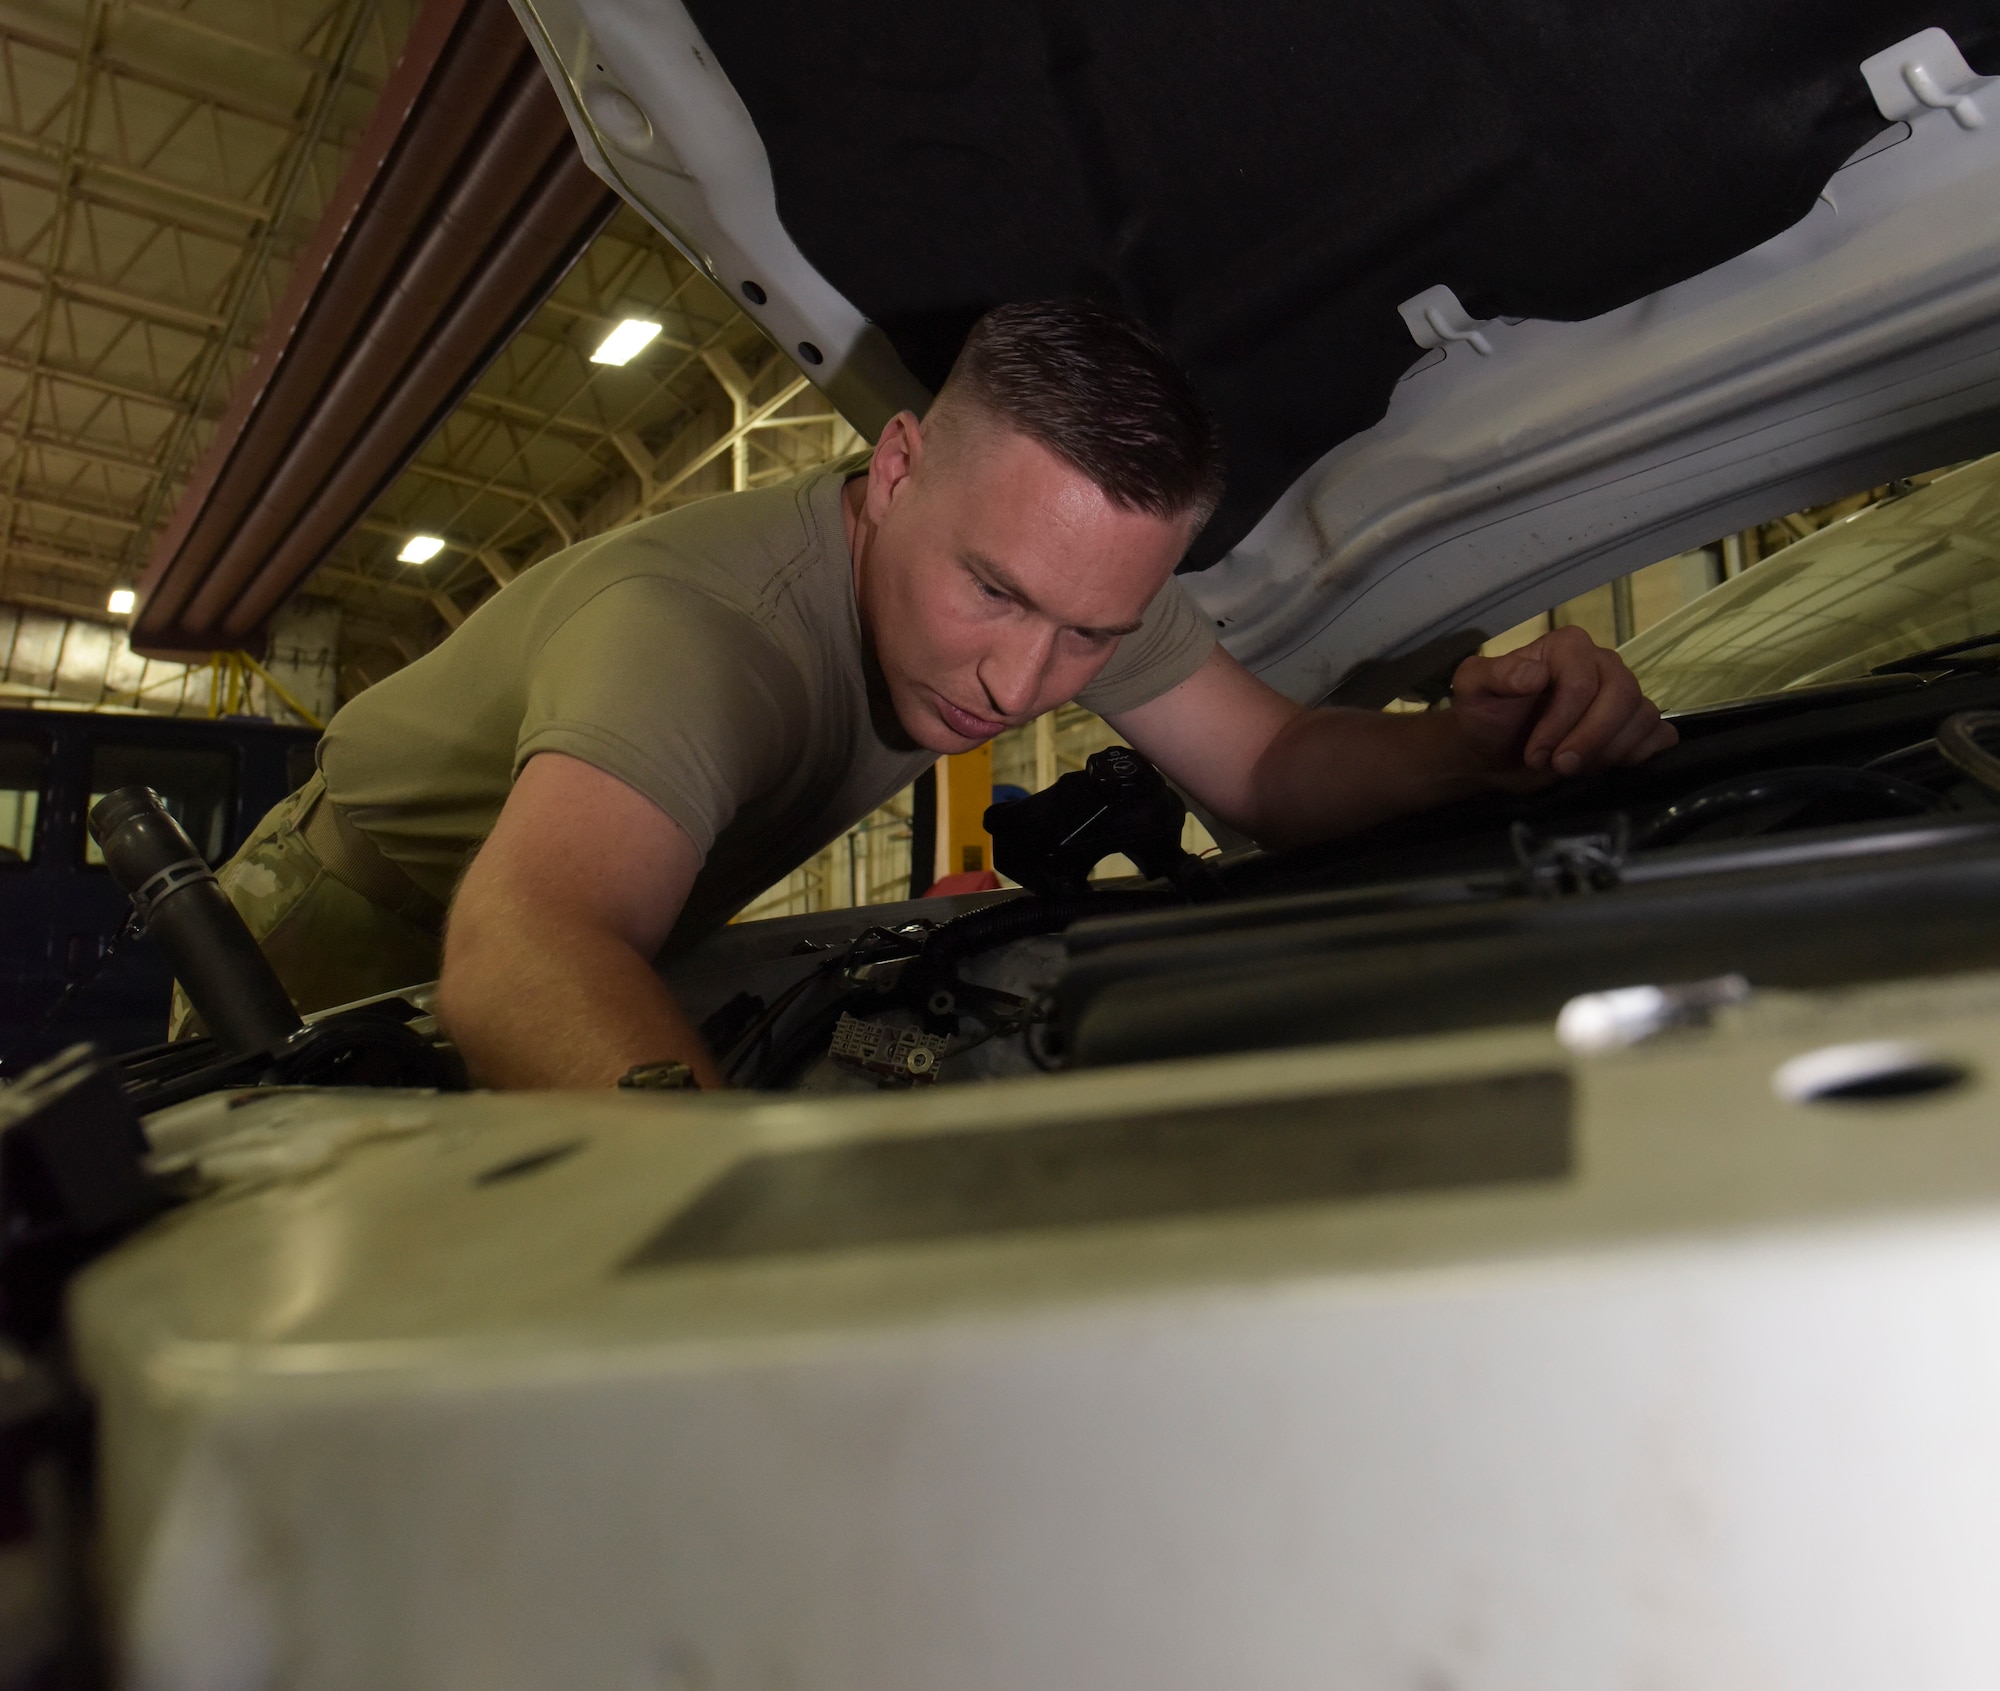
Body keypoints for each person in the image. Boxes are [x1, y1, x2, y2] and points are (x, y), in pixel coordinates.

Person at [184, 300, 1674, 1087]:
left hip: (599, 911)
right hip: (339, 922)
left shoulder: (1075, 588)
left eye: (1092, 632)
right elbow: (521, 950)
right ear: (893, 470)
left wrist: (1482, 755)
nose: (1023, 684)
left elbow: (1270, 771)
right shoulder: (698, 635)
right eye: (998, 594)